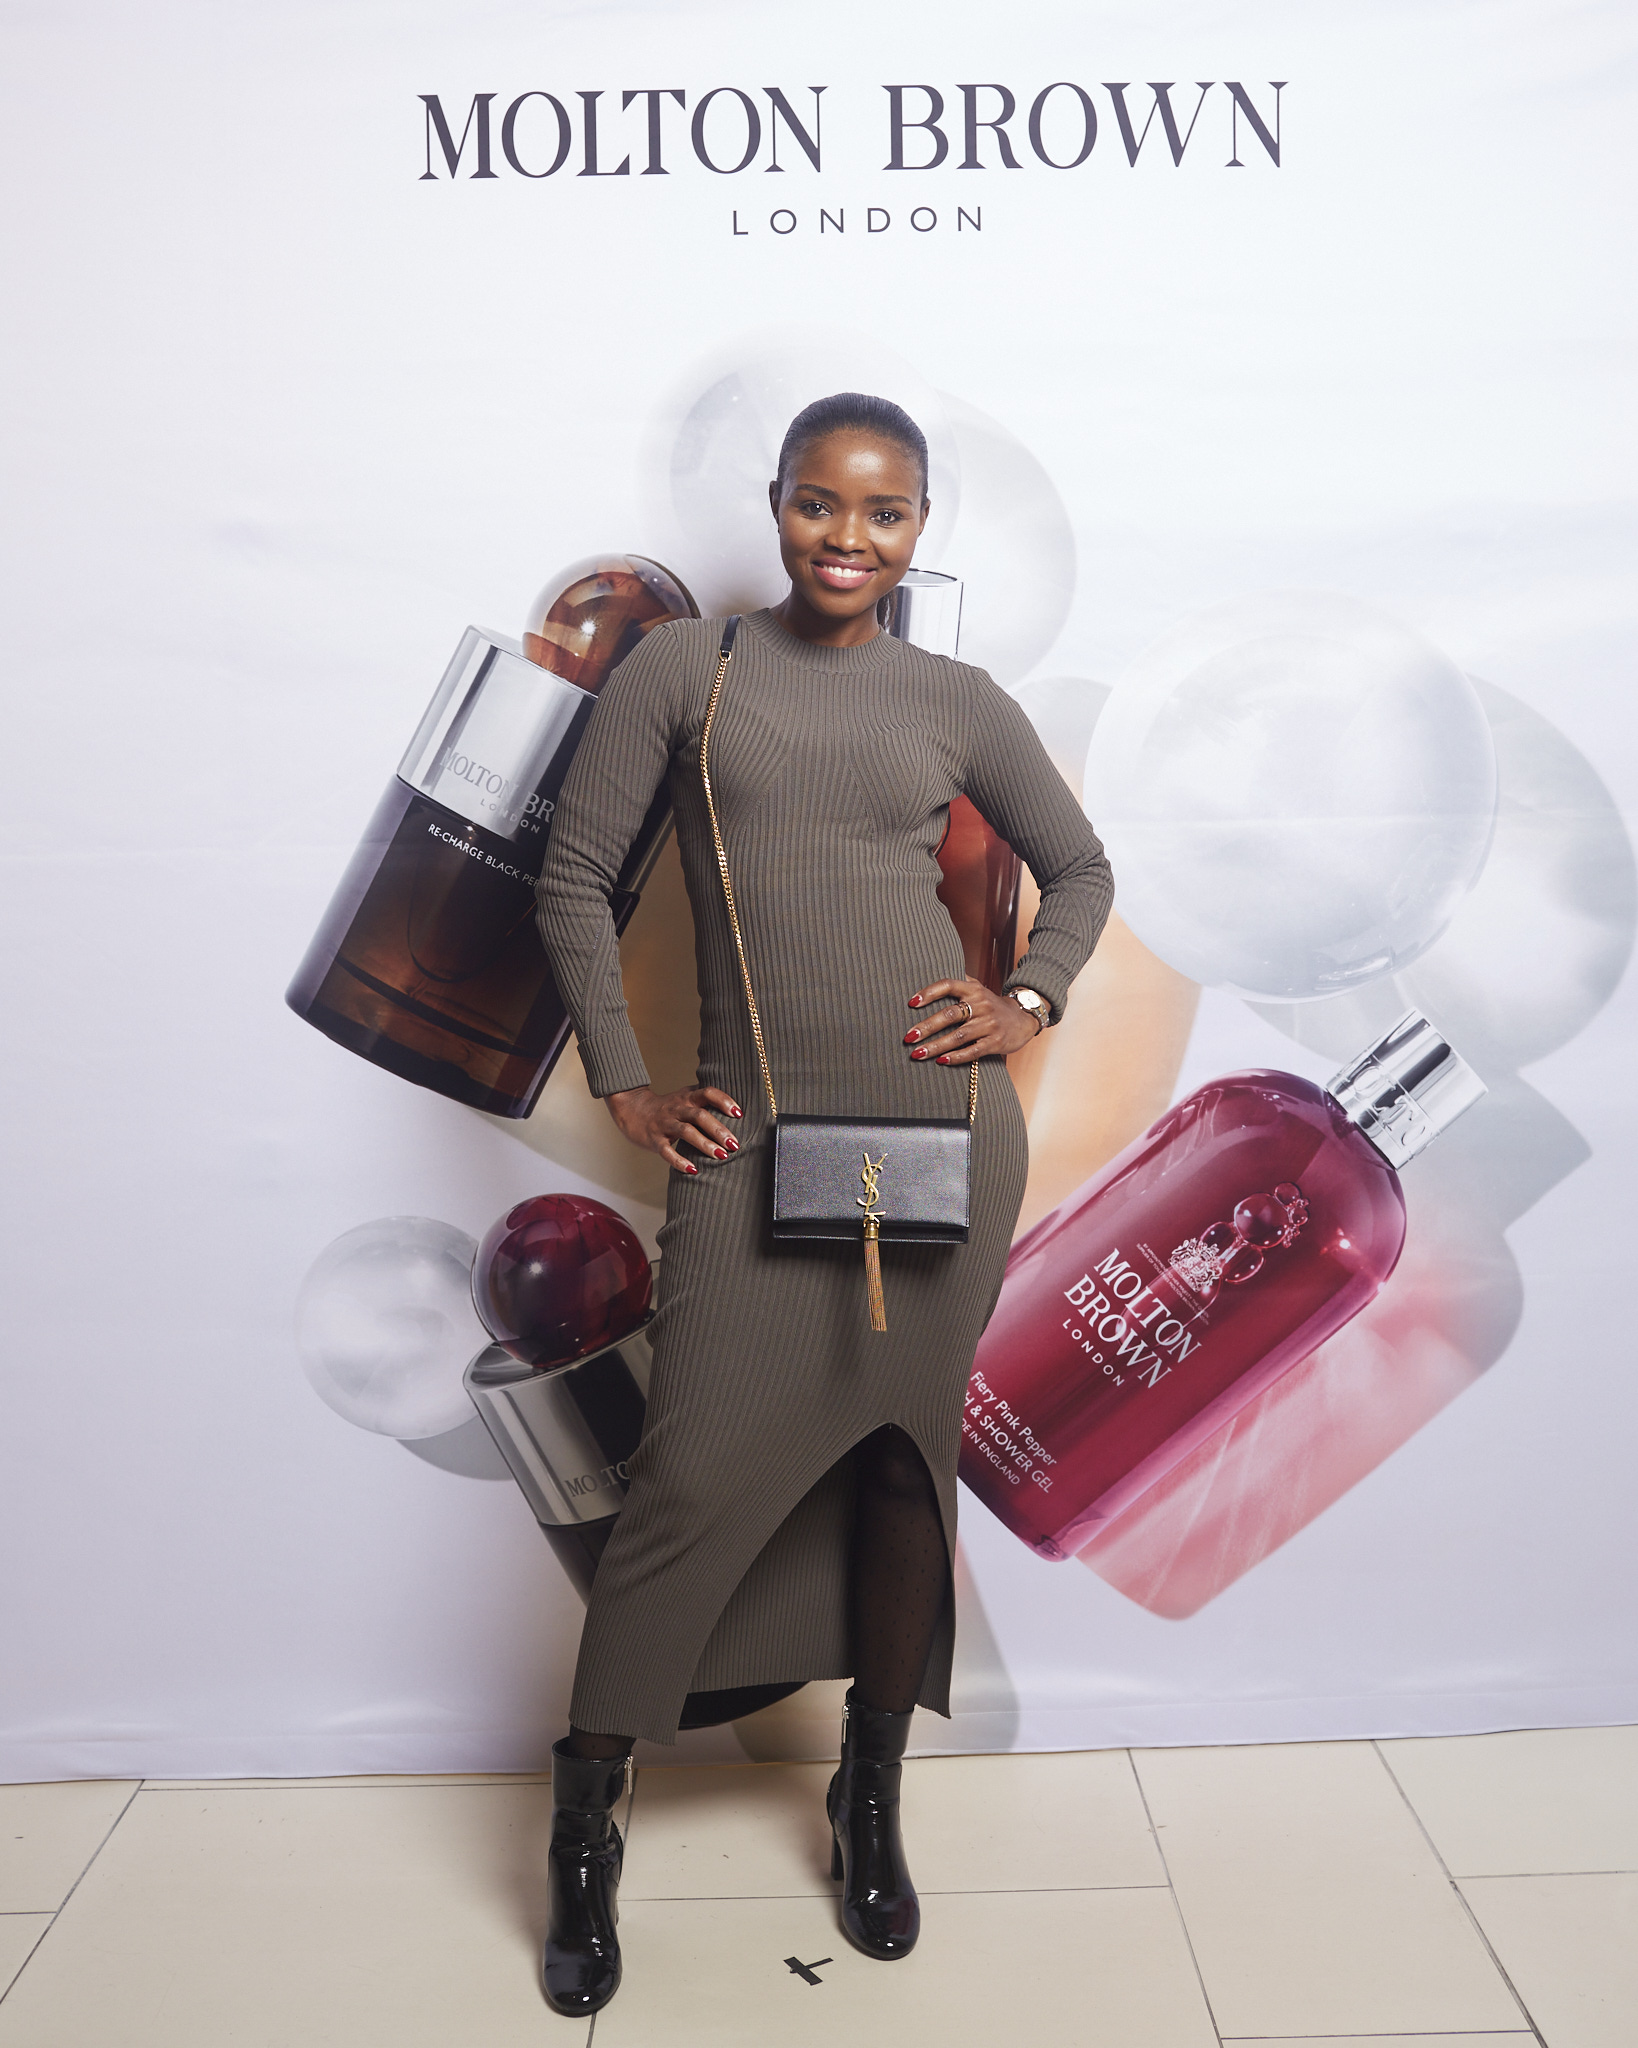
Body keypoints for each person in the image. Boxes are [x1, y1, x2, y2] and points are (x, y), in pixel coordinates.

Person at [534, 392, 1113, 2015]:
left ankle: (869, 1797)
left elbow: (1080, 871)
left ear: (920, 527)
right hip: (751, 1142)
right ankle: (582, 1832)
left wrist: (1026, 998)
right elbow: (574, 879)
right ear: (777, 502)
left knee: (896, 1470)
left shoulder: (956, 700)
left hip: (942, 1134)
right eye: (816, 502)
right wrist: (627, 1083)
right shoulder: (687, 671)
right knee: (683, 1477)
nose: (845, 538)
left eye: (883, 512)